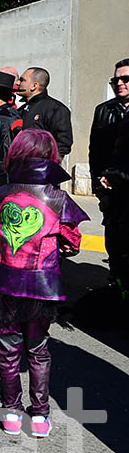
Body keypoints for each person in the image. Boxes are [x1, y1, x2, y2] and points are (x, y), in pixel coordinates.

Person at [0, 129, 88, 437]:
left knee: (7, 347)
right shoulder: (57, 198)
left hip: (3, 283)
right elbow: (72, 242)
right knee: (38, 348)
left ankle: (12, 412)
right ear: (52, 158)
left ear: (15, 155)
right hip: (42, 285)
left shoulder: (2, 193)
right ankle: (40, 415)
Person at [89, 58, 129, 298]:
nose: (120, 83)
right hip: (110, 191)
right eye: (116, 80)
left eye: (126, 79)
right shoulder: (103, 110)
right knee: (113, 238)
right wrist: (98, 184)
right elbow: (96, 151)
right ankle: (118, 282)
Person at [16, 67, 73, 159]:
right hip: (18, 167)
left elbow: (63, 143)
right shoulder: (21, 110)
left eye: (22, 80)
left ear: (34, 86)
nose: (18, 83)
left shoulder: (55, 109)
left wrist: (46, 164)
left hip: (40, 167)